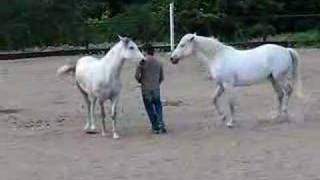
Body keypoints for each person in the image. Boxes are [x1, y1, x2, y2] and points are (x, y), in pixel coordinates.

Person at [135, 45, 167, 134]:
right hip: (156, 88)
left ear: (145, 51)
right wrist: (157, 83)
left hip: (146, 89)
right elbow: (162, 77)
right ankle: (161, 124)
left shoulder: (142, 62)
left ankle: (155, 126)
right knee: (158, 106)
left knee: (149, 108)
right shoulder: (159, 62)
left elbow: (137, 76)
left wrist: (141, 81)